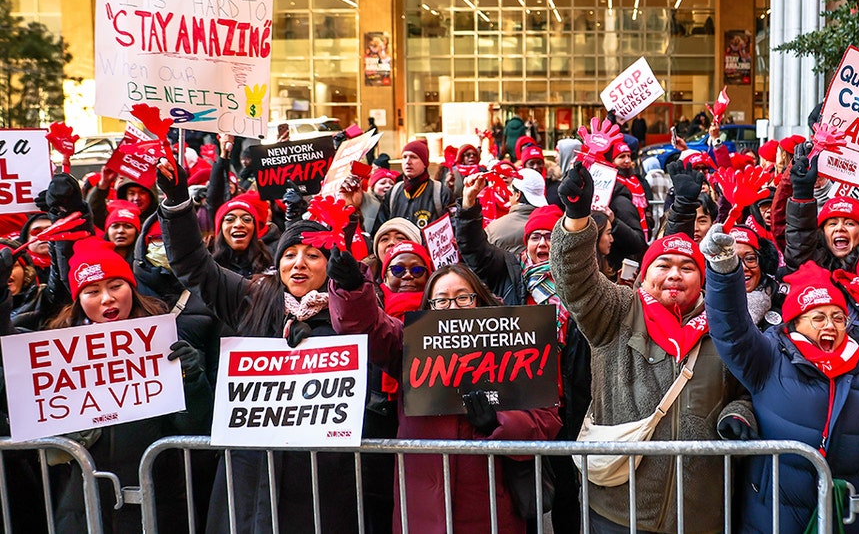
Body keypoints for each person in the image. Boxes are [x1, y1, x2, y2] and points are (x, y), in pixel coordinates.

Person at [703, 237, 859, 533]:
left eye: (838, 317)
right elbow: (732, 329)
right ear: (794, 324)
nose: (830, 325)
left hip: (843, 512)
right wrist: (724, 270)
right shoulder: (769, 358)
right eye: (818, 317)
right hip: (772, 511)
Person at [550, 163, 755, 533]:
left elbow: (745, 390)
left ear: (702, 280)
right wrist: (577, 221)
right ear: (644, 275)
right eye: (664, 265)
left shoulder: (723, 328)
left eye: (687, 267)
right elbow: (576, 282)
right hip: (619, 509)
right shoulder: (617, 312)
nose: (675, 274)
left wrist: (740, 415)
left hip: (698, 513)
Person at [155, 160, 357, 534]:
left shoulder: (349, 310)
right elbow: (193, 265)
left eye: (312, 255)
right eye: (289, 254)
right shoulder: (252, 297)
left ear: (330, 266)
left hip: (318, 473)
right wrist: (178, 203)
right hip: (249, 470)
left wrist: (320, 341)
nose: (299, 263)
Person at [326, 257, 562, 533]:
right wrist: (352, 288)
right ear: (428, 309)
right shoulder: (408, 347)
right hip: (422, 507)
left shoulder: (515, 344)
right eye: (441, 300)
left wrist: (498, 423)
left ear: (480, 302)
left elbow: (546, 419)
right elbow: (369, 329)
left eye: (463, 298)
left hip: (491, 507)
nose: (453, 307)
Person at [45, 237, 211, 534]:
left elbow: (194, 426)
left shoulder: (164, 340)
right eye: (92, 291)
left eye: (116, 286)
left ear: (131, 289)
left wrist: (192, 379)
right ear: (78, 300)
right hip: (82, 506)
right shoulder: (53, 352)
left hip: (155, 501)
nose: (107, 298)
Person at [373, 139, 452, 232]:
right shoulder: (393, 193)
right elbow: (380, 231)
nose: (408, 161)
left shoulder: (441, 193)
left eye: (413, 157)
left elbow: (451, 232)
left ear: (425, 163)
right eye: (404, 157)